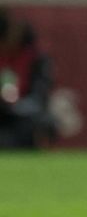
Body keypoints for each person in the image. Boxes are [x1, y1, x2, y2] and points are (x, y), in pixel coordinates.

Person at [0, 9, 54, 149]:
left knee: (44, 122)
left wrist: (16, 106)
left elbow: (39, 95)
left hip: (25, 115)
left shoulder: (36, 59)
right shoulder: (3, 58)